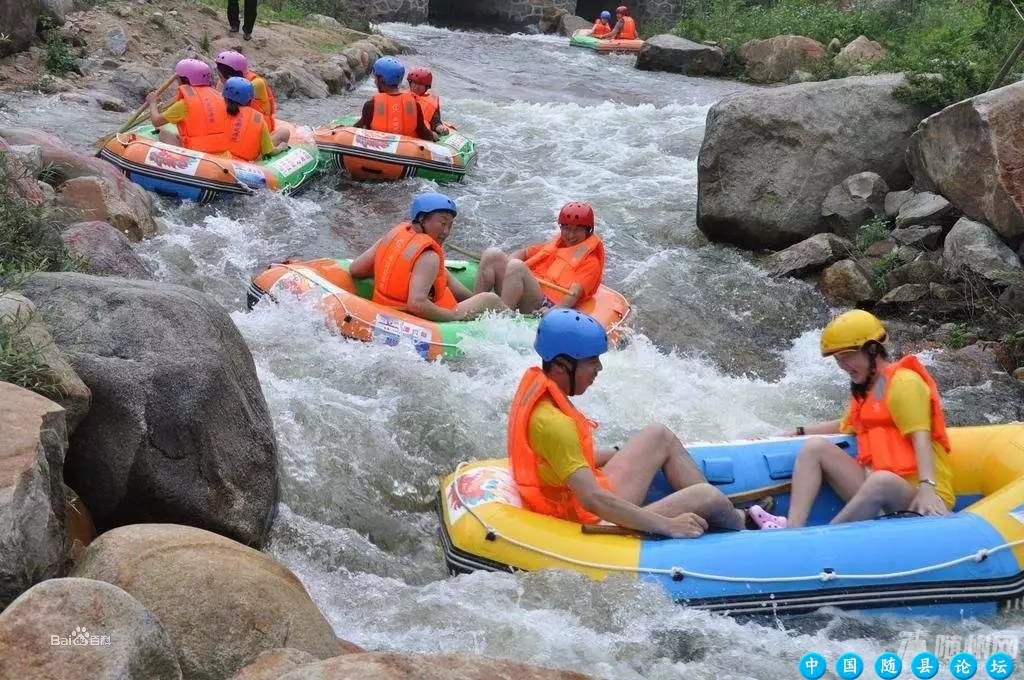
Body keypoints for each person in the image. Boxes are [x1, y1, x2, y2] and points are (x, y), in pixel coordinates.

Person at [509, 309, 748, 537]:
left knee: (658, 435)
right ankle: (744, 525)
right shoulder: (553, 424)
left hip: (576, 499)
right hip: (585, 521)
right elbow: (594, 500)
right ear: (562, 366)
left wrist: (617, 453)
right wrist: (668, 525)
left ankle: (725, 514)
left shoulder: (539, 391)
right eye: (591, 361)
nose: (599, 368)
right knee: (707, 497)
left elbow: (563, 457)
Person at [748, 310, 955, 530]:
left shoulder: (904, 384)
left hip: (920, 495)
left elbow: (920, 437)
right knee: (814, 448)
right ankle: (793, 528)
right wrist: (798, 431)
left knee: (881, 480)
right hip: (877, 488)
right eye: (838, 359)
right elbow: (848, 424)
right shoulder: (875, 387)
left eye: (847, 356)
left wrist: (927, 488)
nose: (843, 365)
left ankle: (825, 538)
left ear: (873, 349)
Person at [349, 193, 508, 322]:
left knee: (446, 277)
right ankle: (520, 324)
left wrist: (396, 273)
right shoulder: (429, 256)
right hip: (410, 320)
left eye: (450, 226)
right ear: (422, 218)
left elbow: (356, 269)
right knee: (490, 299)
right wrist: (454, 316)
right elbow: (416, 304)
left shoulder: (391, 237)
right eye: (442, 223)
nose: (446, 232)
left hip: (382, 307)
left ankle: (474, 300)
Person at [473, 202, 605, 314]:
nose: (570, 235)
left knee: (516, 267)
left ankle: (500, 319)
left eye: (577, 230)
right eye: (567, 229)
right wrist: (508, 269)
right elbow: (524, 252)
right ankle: (474, 308)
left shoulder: (590, 262)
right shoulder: (556, 245)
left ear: (588, 231)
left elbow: (573, 295)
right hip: (528, 290)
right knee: (493, 254)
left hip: (545, 304)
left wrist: (553, 311)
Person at [147, 59, 228, 152]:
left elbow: (156, 121)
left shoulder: (184, 104)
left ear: (183, 80)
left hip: (198, 153)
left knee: (164, 134)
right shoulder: (219, 96)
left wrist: (152, 103)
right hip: (220, 150)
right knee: (178, 135)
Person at [215, 50, 290, 146]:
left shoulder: (255, 84)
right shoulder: (224, 81)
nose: (219, 79)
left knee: (284, 132)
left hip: (258, 130)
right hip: (238, 129)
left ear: (229, 76)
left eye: (220, 76)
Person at [353, 57, 437, 142]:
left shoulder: (371, 105)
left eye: (375, 78)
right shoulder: (414, 104)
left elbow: (358, 129)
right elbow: (423, 132)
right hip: (406, 150)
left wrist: (343, 129)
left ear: (381, 80)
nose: (375, 81)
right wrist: (433, 136)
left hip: (378, 152)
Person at [221, 77, 286, 161]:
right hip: (245, 165)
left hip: (214, 161)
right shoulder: (257, 119)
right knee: (284, 133)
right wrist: (281, 148)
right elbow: (269, 152)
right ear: (250, 101)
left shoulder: (217, 111)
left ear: (224, 97)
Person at [407, 67, 450, 138]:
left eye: (421, 85)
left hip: (423, 132)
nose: (417, 87)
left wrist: (439, 128)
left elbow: (435, 122)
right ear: (410, 83)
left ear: (427, 87)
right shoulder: (402, 96)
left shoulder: (431, 103)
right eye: (415, 83)